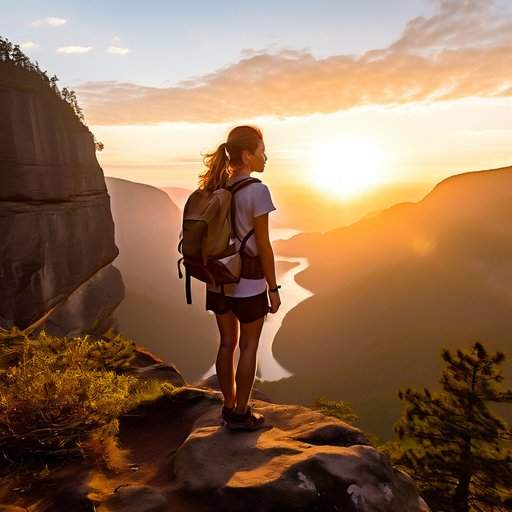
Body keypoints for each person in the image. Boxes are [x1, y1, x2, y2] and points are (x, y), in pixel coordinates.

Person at [198, 125, 281, 430]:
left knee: (225, 344)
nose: (266, 157)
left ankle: (228, 405)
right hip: (248, 283)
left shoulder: (215, 188)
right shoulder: (257, 191)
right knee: (248, 347)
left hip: (217, 280)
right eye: (261, 151)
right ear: (247, 155)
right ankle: (241, 414)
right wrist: (273, 288)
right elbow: (264, 246)